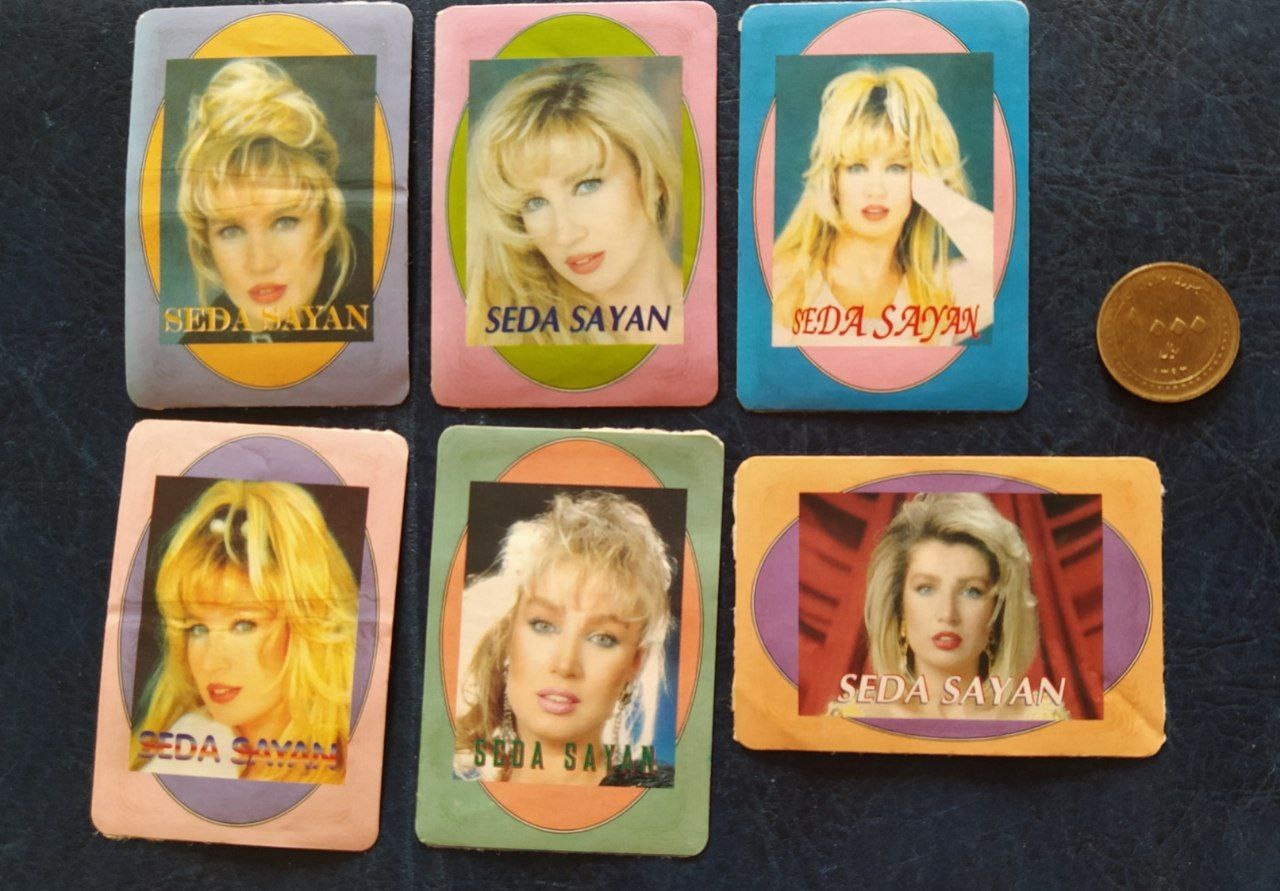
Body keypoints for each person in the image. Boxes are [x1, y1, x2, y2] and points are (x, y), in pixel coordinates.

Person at [130, 480, 359, 783]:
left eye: (243, 625)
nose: (211, 663)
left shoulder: (352, 774)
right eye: (197, 628)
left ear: (308, 628)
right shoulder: (185, 749)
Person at [454, 491, 676, 786]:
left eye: (602, 638)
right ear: (508, 639)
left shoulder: (655, 795)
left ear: (634, 664)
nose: (565, 664)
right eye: (544, 625)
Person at [465, 61, 683, 346]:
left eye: (587, 185)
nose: (565, 234)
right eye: (534, 202)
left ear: (652, 179)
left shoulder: (724, 307)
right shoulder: (513, 339)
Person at [772, 66, 994, 346]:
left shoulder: (940, 295)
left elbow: (1014, 269)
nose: (875, 190)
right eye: (856, 167)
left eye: (896, 168)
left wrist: (939, 196)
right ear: (832, 180)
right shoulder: (783, 285)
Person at [175, 59, 370, 343]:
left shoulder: (384, 302)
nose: (260, 264)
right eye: (231, 230)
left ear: (325, 218)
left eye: (285, 221)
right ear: (207, 244)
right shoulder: (197, 349)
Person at [834, 493, 1067, 720]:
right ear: (899, 606)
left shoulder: (1037, 723)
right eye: (926, 588)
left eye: (971, 591)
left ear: (998, 611)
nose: (947, 614)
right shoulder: (853, 721)